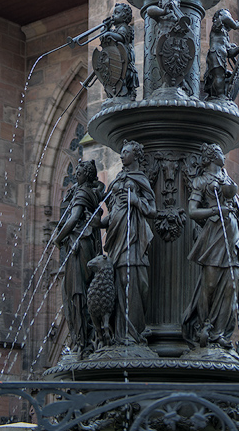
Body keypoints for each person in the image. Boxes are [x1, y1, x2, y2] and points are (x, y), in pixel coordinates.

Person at [183, 143, 239, 348]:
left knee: (230, 284)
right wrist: (215, 212)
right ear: (210, 157)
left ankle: (221, 333)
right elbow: (192, 211)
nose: (223, 154)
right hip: (214, 234)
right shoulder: (200, 181)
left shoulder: (228, 180)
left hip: (232, 234)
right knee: (209, 284)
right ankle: (204, 327)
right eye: (218, 152)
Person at [101, 140, 157, 344]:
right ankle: (120, 335)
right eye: (122, 152)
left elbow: (152, 210)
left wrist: (136, 201)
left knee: (135, 281)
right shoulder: (117, 179)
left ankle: (134, 333)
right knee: (119, 281)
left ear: (136, 155)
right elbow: (113, 209)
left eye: (126, 152)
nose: (122, 155)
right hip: (116, 237)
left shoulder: (140, 178)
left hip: (134, 235)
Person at [53, 160, 105, 354]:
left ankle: (82, 340)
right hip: (87, 242)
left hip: (79, 245)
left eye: (80, 172)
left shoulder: (82, 193)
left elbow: (74, 217)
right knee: (83, 287)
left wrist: (58, 239)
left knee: (77, 291)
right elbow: (101, 187)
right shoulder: (90, 190)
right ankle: (87, 335)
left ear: (87, 175)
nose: (76, 175)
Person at [203, 8, 239, 100]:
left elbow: (230, 53)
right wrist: (234, 25)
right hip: (215, 54)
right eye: (228, 16)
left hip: (220, 55)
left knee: (221, 75)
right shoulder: (216, 27)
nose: (229, 18)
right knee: (219, 76)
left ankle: (217, 95)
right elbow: (223, 18)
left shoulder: (224, 35)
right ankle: (220, 95)